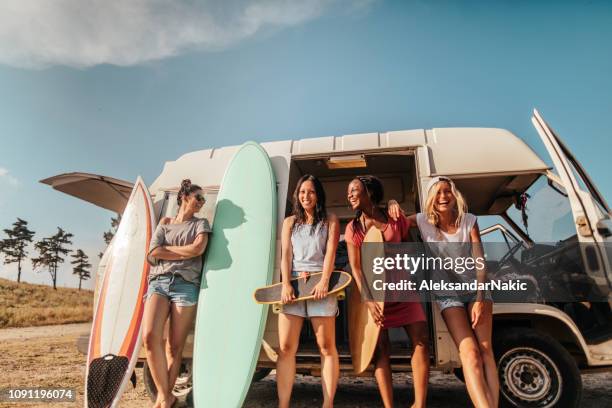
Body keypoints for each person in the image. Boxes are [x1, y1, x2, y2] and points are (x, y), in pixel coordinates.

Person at [396, 176, 499, 408]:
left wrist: (481, 297)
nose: (443, 197)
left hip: (475, 289)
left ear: (454, 195)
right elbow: (394, 222)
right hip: (446, 291)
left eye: (447, 191)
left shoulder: (469, 221)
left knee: (485, 351)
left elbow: (479, 262)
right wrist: (393, 202)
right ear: (432, 198)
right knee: (470, 354)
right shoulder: (423, 221)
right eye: (438, 193)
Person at [345, 175, 430, 408]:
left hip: (402, 289)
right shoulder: (352, 228)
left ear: (369, 193)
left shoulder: (394, 217)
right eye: (349, 192)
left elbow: (411, 247)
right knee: (381, 349)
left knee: (421, 339)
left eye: (354, 190)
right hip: (374, 295)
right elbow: (356, 268)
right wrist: (369, 300)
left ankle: (419, 404)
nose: (349, 195)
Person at [143, 179, 211, 408]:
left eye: (204, 199)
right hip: (158, 282)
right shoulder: (165, 223)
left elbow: (198, 249)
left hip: (186, 284)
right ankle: (166, 396)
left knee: (174, 346)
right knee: (150, 337)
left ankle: (163, 400)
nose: (202, 202)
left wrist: (167, 251)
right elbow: (152, 253)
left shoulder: (201, 223)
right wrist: (184, 253)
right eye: (198, 197)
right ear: (184, 197)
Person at [277, 174, 340, 408]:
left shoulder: (330, 220)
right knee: (285, 347)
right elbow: (285, 256)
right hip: (293, 287)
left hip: (319, 287)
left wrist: (324, 281)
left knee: (326, 346)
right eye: (302, 192)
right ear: (297, 195)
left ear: (318, 194)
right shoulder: (289, 223)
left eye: (311, 191)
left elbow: (331, 253)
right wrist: (285, 283)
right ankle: (283, 404)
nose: (306, 196)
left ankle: (328, 403)